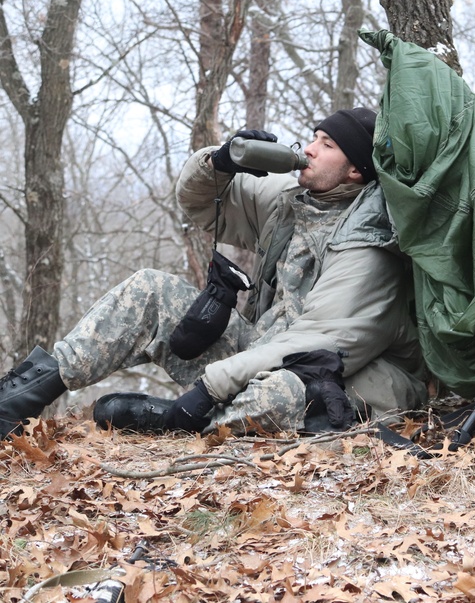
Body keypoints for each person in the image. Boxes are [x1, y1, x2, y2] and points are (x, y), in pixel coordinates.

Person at [0, 107, 427, 438]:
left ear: (356, 169)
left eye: (327, 143)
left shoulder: (371, 242)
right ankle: (17, 401)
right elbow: (199, 204)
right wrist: (219, 162)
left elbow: (316, 341)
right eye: (313, 138)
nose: (310, 149)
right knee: (151, 289)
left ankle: (170, 421)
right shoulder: (292, 201)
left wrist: (209, 388)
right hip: (270, 352)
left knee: (279, 394)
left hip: (342, 378)